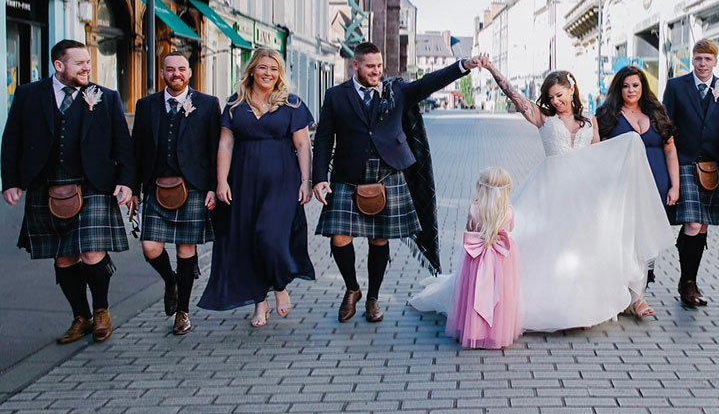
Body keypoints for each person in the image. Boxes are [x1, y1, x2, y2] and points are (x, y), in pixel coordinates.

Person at [412, 61, 673, 331]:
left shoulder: (590, 121)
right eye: (551, 97)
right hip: (549, 190)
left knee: (580, 249)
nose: (556, 101)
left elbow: (598, 155)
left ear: (571, 90)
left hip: (582, 194)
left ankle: (579, 304)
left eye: (559, 95)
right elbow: (514, 95)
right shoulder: (544, 119)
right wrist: (492, 70)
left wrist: (625, 154)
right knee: (540, 244)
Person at [312, 42, 478, 324]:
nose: (376, 71)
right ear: (356, 66)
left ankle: (373, 297)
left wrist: (462, 66)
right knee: (339, 237)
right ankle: (352, 288)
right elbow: (325, 138)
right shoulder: (335, 96)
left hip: (387, 174)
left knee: (379, 238)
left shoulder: (396, 90)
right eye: (370, 67)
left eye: (379, 66)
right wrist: (319, 179)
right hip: (347, 175)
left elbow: (429, 82)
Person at [1, 40, 133, 343]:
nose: (87, 67)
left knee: (91, 251)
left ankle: (101, 311)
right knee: (63, 258)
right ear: (59, 65)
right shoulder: (28, 95)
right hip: (46, 185)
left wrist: (125, 181)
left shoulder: (106, 98)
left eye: (88, 61)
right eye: (80, 63)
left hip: (93, 184)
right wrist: (10, 181)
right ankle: (81, 316)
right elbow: (12, 140)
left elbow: (122, 144)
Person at [198, 47, 315, 327]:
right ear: (252, 69)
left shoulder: (291, 104)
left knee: (269, 238)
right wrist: (221, 180)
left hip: (282, 182)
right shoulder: (235, 103)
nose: (268, 74)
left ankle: (279, 286)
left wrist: (306, 181)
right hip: (243, 181)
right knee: (248, 242)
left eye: (274, 69)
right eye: (263, 68)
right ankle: (259, 304)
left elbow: (302, 145)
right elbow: (225, 143)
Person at [131, 51, 221, 335]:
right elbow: (137, 151)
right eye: (170, 70)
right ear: (162, 73)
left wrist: (213, 188)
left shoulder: (207, 105)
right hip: (156, 187)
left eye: (181, 69)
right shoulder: (146, 106)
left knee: (185, 250)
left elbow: (215, 149)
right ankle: (170, 281)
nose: (176, 74)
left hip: (192, 187)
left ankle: (182, 311)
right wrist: (133, 190)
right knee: (150, 247)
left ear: (190, 72)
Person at [662, 38, 719, 308]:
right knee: (693, 223)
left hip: (713, 167)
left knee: (702, 225)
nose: (702, 63)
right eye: (698, 58)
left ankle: (690, 280)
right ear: (691, 60)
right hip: (683, 163)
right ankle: (687, 282)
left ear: (716, 61)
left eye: (707, 59)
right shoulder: (676, 86)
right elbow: (665, 126)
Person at [597, 65, 679, 302]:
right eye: (625, 86)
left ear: (643, 87)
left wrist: (675, 185)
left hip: (656, 185)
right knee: (625, 238)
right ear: (618, 89)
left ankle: (639, 291)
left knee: (648, 238)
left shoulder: (657, 113)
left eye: (635, 85)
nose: (631, 90)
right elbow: (598, 151)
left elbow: (670, 149)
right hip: (622, 187)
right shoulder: (608, 115)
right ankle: (625, 290)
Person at [445, 167, 521, 349]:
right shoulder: (509, 211)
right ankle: (496, 332)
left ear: (481, 187)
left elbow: (470, 228)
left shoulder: (474, 209)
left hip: (477, 256)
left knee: (475, 290)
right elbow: (510, 230)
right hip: (502, 259)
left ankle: (474, 331)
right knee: (500, 293)